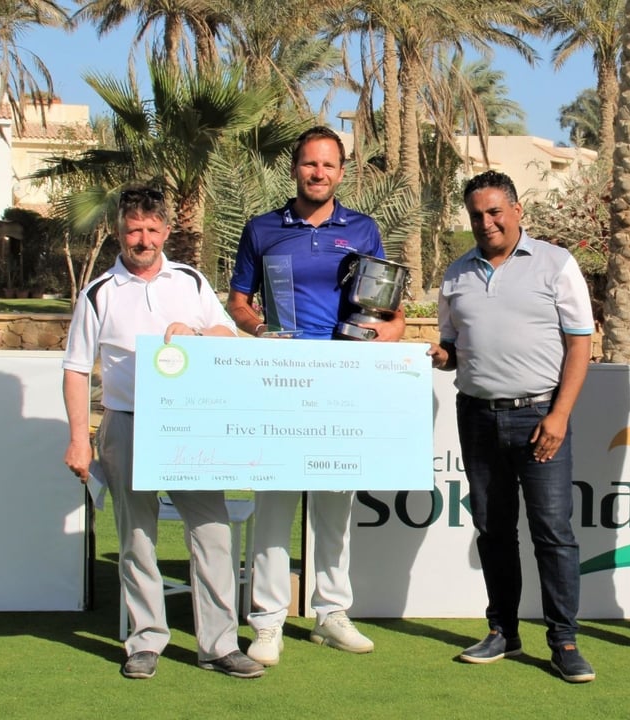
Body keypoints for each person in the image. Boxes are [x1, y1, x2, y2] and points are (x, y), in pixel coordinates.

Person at [62, 187, 264, 680]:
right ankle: (145, 640)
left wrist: (193, 334)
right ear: (119, 231)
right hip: (126, 423)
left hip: (188, 424)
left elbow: (227, 336)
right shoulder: (99, 292)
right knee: (136, 535)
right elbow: (74, 369)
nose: (143, 239)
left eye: (153, 229)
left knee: (213, 531)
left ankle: (218, 645)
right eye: (134, 229)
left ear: (167, 232)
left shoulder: (190, 281)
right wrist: (79, 438)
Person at [226, 125, 405, 665]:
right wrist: (261, 331)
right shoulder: (262, 229)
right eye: (309, 164)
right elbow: (237, 302)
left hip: (342, 382)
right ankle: (267, 621)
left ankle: (331, 614)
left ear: (342, 172)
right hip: (280, 380)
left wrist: (375, 339)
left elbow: (387, 311)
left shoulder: (363, 229)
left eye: (328, 165)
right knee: (274, 503)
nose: (318, 173)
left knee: (333, 504)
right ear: (294, 169)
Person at [429, 170, 596, 683]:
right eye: (477, 214)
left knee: (552, 533)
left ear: (517, 210)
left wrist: (559, 415)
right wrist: (439, 355)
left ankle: (563, 640)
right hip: (478, 416)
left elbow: (580, 343)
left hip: (538, 415)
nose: (486, 222)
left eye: (495, 211)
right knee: (493, 530)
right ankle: (503, 630)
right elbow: (453, 346)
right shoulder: (456, 274)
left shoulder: (555, 263)